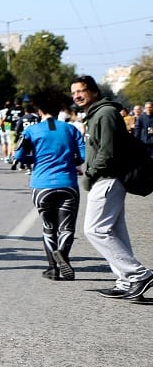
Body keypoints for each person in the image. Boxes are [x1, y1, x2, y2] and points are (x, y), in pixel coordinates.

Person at [70, 75, 153, 299]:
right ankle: (126, 282)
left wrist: (89, 173)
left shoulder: (105, 114)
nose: (77, 95)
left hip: (107, 178)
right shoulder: (95, 114)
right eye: (74, 92)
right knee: (115, 230)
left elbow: (107, 153)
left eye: (81, 90)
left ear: (94, 92)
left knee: (94, 229)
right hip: (106, 178)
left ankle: (138, 274)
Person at [11, 89, 85, 281]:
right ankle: (63, 254)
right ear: (60, 108)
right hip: (68, 183)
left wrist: (35, 158)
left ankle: (52, 268)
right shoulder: (71, 129)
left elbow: (18, 156)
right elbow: (84, 156)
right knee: (67, 228)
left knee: (48, 227)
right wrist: (70, 162)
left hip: (41, 184)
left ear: (39, 109)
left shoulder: (31, 131)